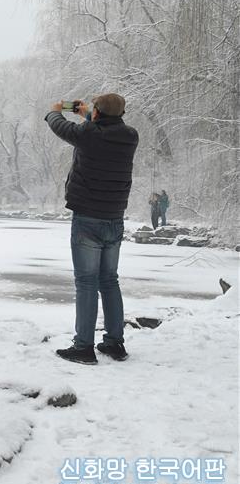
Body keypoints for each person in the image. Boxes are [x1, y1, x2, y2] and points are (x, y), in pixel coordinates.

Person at [44, 94, 139, 365]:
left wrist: (54, 111)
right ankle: (114, 344)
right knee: (109, 281)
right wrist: (88, 113)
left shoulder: (89, 134)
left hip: (87, 219)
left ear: (97, 113)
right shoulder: (131, 136)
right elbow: (104, 129)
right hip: (115, 219)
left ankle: (83, 347)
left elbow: (60, 127)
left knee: (86, 283)